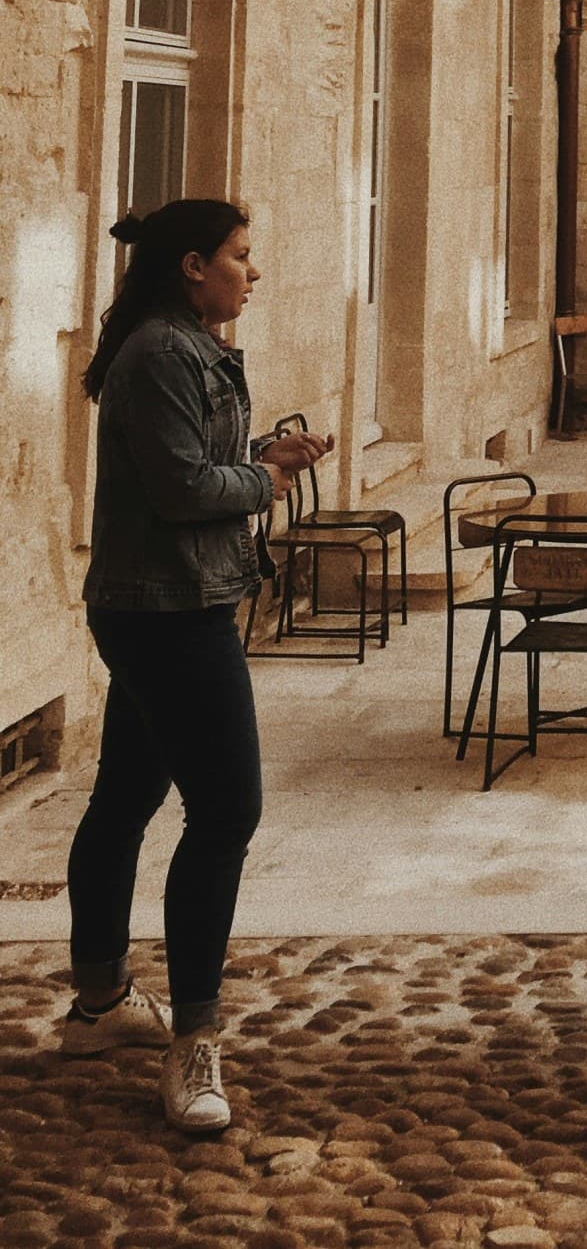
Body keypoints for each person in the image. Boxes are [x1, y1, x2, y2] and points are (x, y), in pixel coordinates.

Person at [61, 198, 330, 1136]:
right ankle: (194, 1042)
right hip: (172, 612)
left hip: (156, 602)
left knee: (125, 797)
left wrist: (259, 453)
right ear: (192, 265)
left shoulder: (177, 346)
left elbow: (181, 461)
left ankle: (100, 1002)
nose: (252, 272)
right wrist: (266, 480)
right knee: (225, 813)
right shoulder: (165, 352)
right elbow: (182, 490)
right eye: (240, 256)